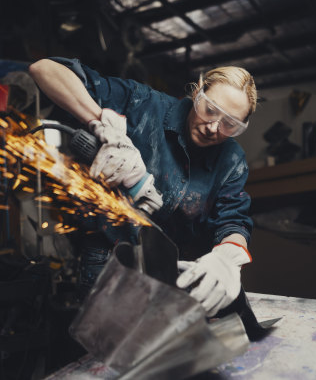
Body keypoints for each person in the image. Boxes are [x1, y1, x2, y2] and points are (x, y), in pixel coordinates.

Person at [29, 57, 257, 317]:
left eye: (230, 124)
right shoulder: (142, 104)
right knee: (106, 353)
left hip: (179, 274)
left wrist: (228, 257)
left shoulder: (232, 160)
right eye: (210, 110)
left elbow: (233, 220)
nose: (214, 127)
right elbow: (44, 70)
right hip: (110, 264)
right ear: (197, 92)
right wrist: (104, 128)